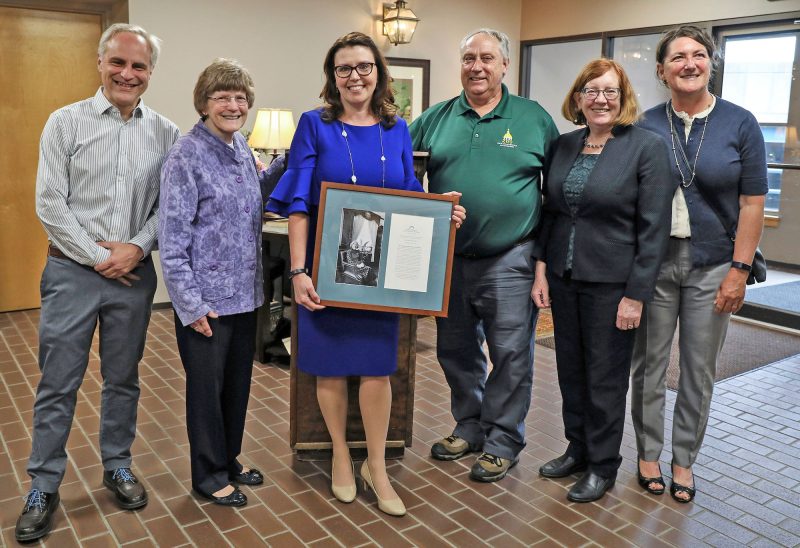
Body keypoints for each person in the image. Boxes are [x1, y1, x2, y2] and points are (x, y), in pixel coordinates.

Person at [267, 32, 465, 517]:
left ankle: (375, 464)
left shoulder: (397, 130)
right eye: (343, 69)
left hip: (380, 276)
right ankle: (339, 452)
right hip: (327, 270)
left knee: (378, 370)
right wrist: (297, 271)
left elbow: (404, 196)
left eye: (363, 66)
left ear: (378, 71)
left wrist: (442, 216)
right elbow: (298, 206)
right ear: (332, 78)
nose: (354, 76)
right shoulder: (314, 125)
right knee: (331, 368)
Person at [15, 24, 179, 542]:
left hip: (133, 277)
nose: (128, 74)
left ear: (150, 72)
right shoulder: (65, 123)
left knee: (123, 378)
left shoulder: (166, 133)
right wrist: (98, 258)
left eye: (139, 66)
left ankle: (117, 465)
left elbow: (164, 209)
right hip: (71, 273)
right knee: (58, 382)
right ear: (101, 63)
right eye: (118, 63)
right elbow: (49, 203)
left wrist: (135, 249)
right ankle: (43, 484)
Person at [409, 28, 558, 483]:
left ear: (505, 65)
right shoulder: (435, 118)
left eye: (487, 58)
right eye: (470, 58)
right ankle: (469, 426)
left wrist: (542, 268)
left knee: (511, 354)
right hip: (449, 259)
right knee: (456, 351)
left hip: (511, 258)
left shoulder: (533, 119)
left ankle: (503, 440)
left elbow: (555, 196)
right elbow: (401, 176)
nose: (477, 66)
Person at [631, 25, 767, 503]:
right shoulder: (644, 124)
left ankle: (683, 460)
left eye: (698, 55)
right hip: (655, 264)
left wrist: (739, 269)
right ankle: (648, 455)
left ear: (711, 62)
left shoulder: (740, 123)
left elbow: (753, 202)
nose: (689, 64)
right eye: (678, 57)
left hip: (714, 265)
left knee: (698, 369)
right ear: (661, 70)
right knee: (648, 367)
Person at [531, 59, 674, 502]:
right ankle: (577, 449)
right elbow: (551, 211)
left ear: (624, 98)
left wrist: (636, 296)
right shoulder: (565, 145)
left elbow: (654, 230)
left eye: (610, 91)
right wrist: (541, 268)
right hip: (564, 276)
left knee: (605, 378)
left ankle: (603, 465)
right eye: (591, 91)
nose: (600, 99)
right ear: (578, 99)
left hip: (614, 285)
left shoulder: (645, 148)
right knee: (570, 371)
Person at [158, 59, 267, 507]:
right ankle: (208, 473)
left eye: (241, 97)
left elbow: (258, 194)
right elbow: (172, 239)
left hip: (247, 294)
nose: (233, 104)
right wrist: (191, 305)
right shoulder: (185, 155)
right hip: (207, 303)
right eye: (223, 96)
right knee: (206, 392)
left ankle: (229, 456)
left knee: (236, 386)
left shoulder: (241, 147)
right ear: (204, 102)